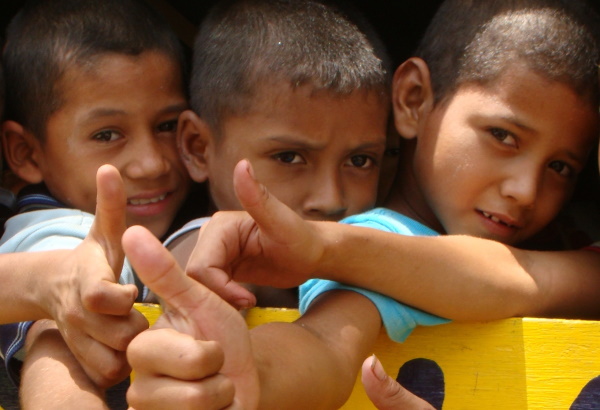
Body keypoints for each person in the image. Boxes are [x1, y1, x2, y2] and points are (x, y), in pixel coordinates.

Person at [125, 0, 600, 408]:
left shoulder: (559, 250)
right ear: (413, 99)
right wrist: (254, 377)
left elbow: (528, 275)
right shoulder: (381, 242)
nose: (526, 189)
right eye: (503, 136)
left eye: (561, 168)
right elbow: (323, 343)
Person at [0, 0, 195, 406]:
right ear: (26, 153)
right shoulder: (52, 230)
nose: (151, 163)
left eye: (166, 126)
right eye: (107, 135)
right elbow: (63, 326)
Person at [160, 0, 392, 307]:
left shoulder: (385, 253)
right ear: (198, 148)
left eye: (359, 161)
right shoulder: (206, 258)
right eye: (289, 157)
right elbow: (195, 260)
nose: (331, 200)